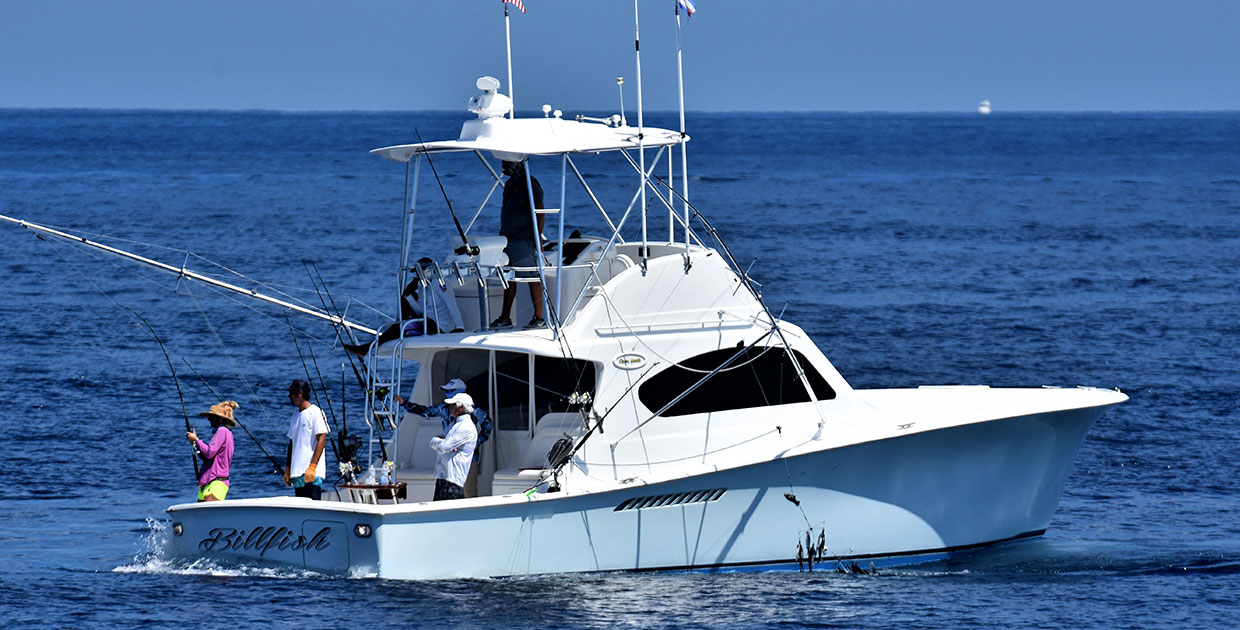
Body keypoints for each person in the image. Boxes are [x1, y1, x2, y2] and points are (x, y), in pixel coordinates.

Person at [394, 377, 492, 497]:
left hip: (468, 458)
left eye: (449, 391)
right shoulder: (444, 408)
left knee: (468, 493)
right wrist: (404, 403)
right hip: (448, 458)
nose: (446, 393)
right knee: (445, 493)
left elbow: (488, 424)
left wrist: (477, 442)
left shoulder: (472, 410)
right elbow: (425, 411)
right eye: (446, 391)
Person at [345, 270, 465, 356]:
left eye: (419, 272)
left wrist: (460, 327)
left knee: (399, 328)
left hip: (441, 326)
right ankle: (368, 347)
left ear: (427, 271)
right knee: (400, 324)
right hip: (428, 322)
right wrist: (408, 296)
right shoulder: (423, 288)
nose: (417, 276)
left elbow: (452, 305)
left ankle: (367, 348)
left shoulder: (441, 284)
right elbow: (421, 311)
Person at [492, 159, 546, 329]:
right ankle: (505, 317)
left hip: (524, 239)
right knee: (508, 279)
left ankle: (539, 318)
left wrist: (537, 237)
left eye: (507, 163)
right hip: (507, 239)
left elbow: (540, 211)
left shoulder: (531, 183)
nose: (504, 166)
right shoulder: (509, 184)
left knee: (532, 277)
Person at [284, 379, 329, 500]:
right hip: (297, 474)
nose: (289, 396)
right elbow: (292, 443)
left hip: (311, 474)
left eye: (291, 393)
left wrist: (313, 466)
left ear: (300, 393)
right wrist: (288, 468)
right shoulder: (295, 416)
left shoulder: (316, 412)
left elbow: (322, 439)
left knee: (313, 506)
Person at [429, 392, 478, 501]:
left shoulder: (465, 427)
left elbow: (443, 448)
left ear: (462, 407)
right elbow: (433, 442)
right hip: (444, 477)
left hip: (453, 480)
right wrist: (443, 442)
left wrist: (443, 442)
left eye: (453, 405)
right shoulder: (454, 425)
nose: (450, 407)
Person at [187, 400, 238, 502]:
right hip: (208, 483)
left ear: (219, 418)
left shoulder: (222, 431)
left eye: (211, 416)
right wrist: (195, 443)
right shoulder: (225, 433)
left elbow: (209, 452)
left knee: (206, 512)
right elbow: (207, 456)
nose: (209, 419)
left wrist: (196, 440)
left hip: (216, 484)